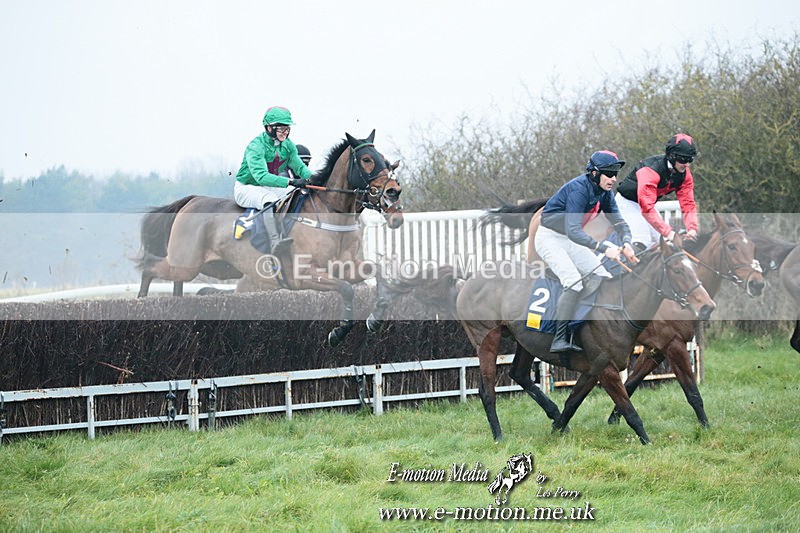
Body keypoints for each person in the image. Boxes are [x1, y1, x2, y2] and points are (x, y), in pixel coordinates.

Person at [536, 150, 638, 352]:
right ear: (594, 173)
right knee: (573, 281)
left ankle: (581, 325)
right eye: (609, 174)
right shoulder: (578, 190)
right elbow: (574, 231)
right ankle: (559, 338)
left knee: (602, 275)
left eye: (615, 174)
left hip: (568, 238)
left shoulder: (605, 193)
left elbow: (620, 223)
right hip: (549, 238)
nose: (613, 179)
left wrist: (627, 242)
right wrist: (603, 248)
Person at [234, 106, 313, 255]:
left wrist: (315, 179)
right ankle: (275, 241)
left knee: (297, 194)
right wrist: (290, 182)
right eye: (281, 129)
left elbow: (300, 168)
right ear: (269, 128)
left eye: (287, 128)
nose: (285, 132)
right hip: (247, 187)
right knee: (270, 199)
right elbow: (261, 177)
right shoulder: (256, 146)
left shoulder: (288, 145)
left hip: (268, 185)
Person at [615, 134, 699, 250]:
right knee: (643, 238)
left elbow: (688, 204)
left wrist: (692, 229)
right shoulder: (650, 170)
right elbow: (647, 207)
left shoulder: (684, 174)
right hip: (627, 202)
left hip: (646, 206)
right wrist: (669, 233)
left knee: (664, 243)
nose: (687, 164)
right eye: (683, 159)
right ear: (671, 156)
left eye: (690, 159)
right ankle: (624, 268)